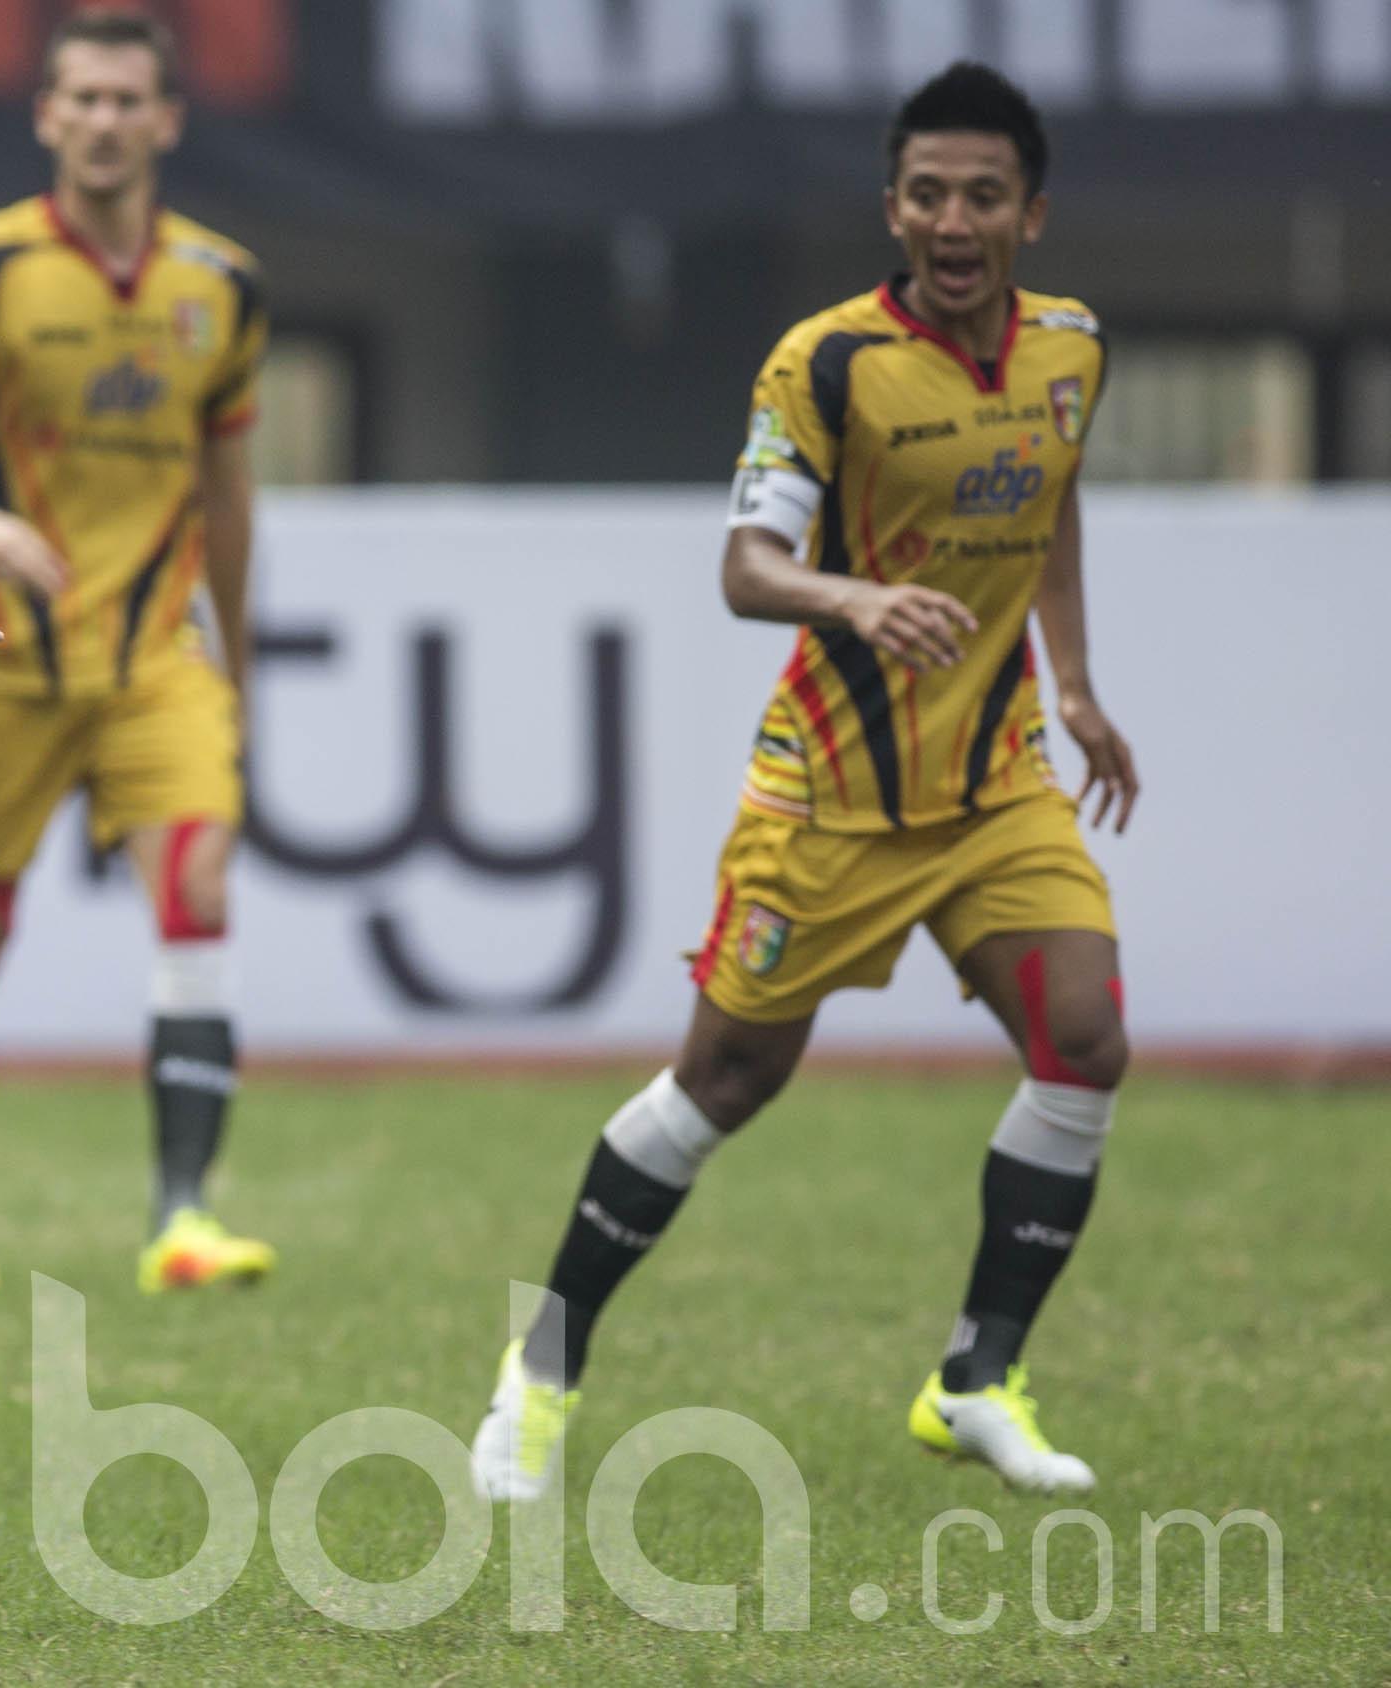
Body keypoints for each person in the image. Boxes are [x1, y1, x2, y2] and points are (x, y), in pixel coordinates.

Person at [470, 63, 1138, 1502]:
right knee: (724, 1080)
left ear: (1032, 209)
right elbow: (745, 568)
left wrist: (1072, 682)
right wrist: (854, 599)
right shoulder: (824, 364)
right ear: (893, 207)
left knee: (1082, 1038)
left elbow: (1054, 492)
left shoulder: (1073, 347)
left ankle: (977, 1378)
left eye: (982, 196)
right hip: (828, 799)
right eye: (925, 195)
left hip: (997, 782)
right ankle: (541, 1369)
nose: (952, 223)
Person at [0, 7, 272, 1301]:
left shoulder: (222, 288)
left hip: (155, 664)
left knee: (195, 894)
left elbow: (232, 495)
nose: (103, 120)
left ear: (167, 121)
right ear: (46, 116)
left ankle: (184, 1218)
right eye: (80, 98)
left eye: (128, 100)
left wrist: (236, 665)